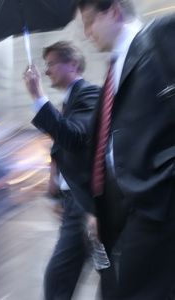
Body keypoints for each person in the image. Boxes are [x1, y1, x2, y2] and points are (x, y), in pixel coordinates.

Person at [77, 0, 175, 298]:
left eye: (89, 23)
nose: (86, 34)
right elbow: (105, 143)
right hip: (121, 204)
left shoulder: (161, 34)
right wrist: (97, 208)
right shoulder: (114, 68)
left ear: (114, 12)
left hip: (157, 199)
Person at [22, 41, 100, 300]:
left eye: (52, 64)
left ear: (73, 65)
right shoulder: (70, 102)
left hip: (82, 206)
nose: (46, 71)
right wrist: (55, 193)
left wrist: (37, 96)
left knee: (57, 281)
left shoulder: (88, 94)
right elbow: (64, 148)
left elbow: (73, 137)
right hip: (73, 206)